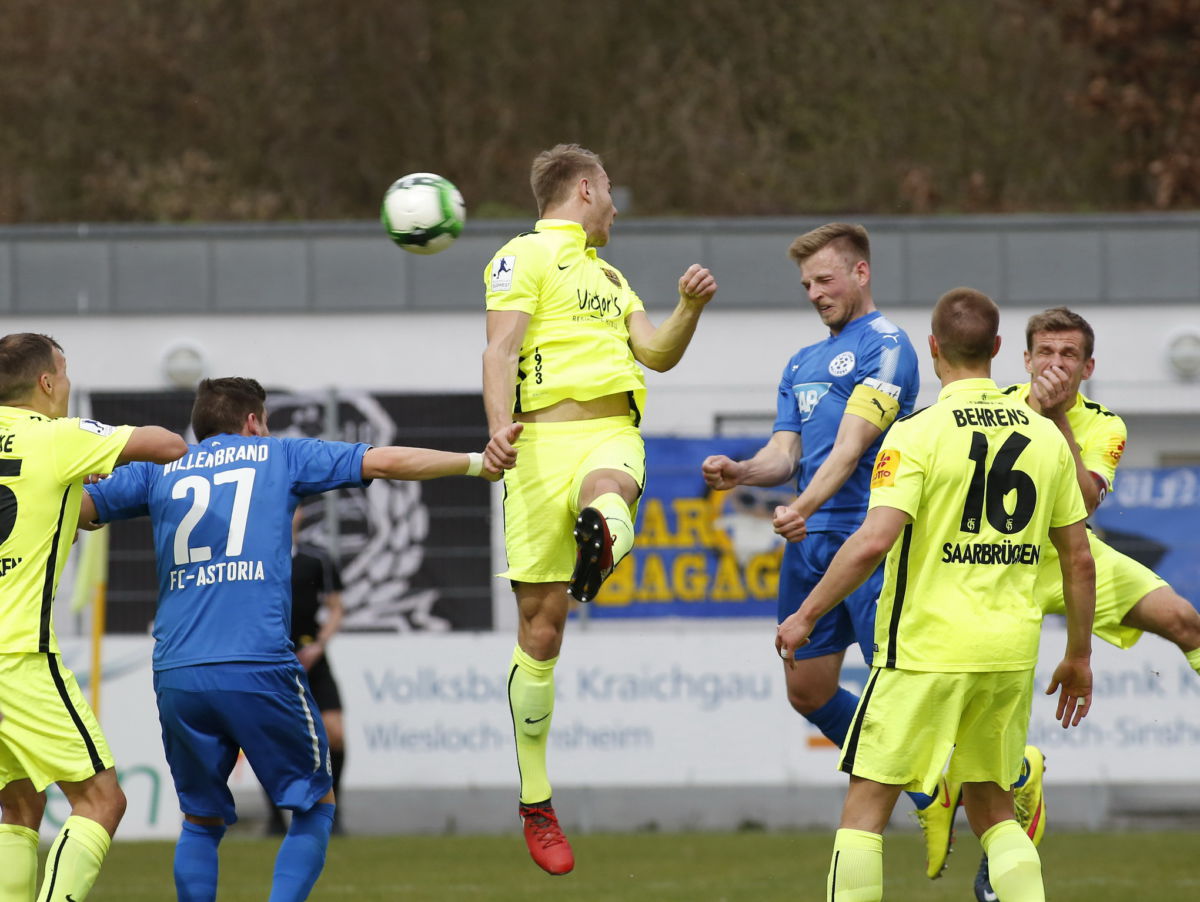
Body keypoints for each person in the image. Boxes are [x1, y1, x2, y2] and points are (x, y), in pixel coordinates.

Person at [81, 377, 505, 902]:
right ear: (253, 421)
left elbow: (77, 509)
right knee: (314, 805)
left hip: (177, 669)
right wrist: (472, 462)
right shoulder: (276, 456)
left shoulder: (160, 470)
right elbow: (386, 461)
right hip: (256, 662)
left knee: (200, 819)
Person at [777, 287, 1096, 902]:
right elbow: (1078, 558)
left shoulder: (916, 434)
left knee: (866, 808)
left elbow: (872, 542)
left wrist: (806, 614)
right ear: (1001, 350)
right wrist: (1079, 655)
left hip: (922, 650)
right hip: (1007, 653)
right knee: (994, 809)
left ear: (932, 349)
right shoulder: (1048, 438)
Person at [482, 142, 717, 875]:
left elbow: (656, 354)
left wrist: (688, 308)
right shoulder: (520, 256)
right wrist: (499, 430)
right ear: (585, 189)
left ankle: (602, 538)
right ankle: (536, 800)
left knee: (611, 491)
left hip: (610, 431)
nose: (616, 202)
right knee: (541, 631)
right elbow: (500, 351)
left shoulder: (613, 278)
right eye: (610, 188)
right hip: (537, 448)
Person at [701, 225, 957, 871]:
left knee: (895, 692)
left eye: (825, 280)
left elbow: (851, 447)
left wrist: (801, 507)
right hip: (811, 542)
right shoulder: (801, 363)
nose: (815, 294)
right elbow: (784, 453)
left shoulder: (890, 347)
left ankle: (987, 791)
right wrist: (740, 472)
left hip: (873, 540)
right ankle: (928, 781)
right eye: (807, 285)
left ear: (861, 273)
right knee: (808, 688)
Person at [958, 306, 1200, 900]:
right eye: (1046, 352)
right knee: (980, 734)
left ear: (1088, 366)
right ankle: (1009, 807)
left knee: (1186, 621)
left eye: (1070, 356)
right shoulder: (990, 408)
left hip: (1074, 555)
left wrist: (1059, 419)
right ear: (1024, 359)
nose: (1056, 364)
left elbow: (1087, 502)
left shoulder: (1103, 423)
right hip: (1000, 565)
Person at [0, 332, 186, 902]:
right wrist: (97, 456)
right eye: (66, 374)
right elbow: (169, 445)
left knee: (19, 802)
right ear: (48, 383)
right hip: (18, 656)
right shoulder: (57, 436)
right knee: (102, 800)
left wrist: (76, 492)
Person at [265, 507, 348, 837]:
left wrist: (318, 646)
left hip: (311, 657)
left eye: (295, 504)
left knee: (335, 733)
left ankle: (334, 812)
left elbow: (337, 609)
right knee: (271, 740)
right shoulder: (259, 558)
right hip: (271, 661)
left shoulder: (317, 559)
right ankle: (275, 818)